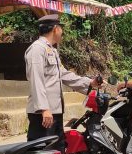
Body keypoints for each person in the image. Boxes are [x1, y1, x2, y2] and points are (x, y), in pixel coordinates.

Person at [24, 14, 98, 142]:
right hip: (43, 113)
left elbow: (63, 74)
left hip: (54, 111)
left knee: (56, 152)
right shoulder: (37, 49)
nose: (62, 32)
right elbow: (36, 80)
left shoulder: (51, 50)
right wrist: (44, 109)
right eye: (61, 28)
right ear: (55, 29)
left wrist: (90, 82)